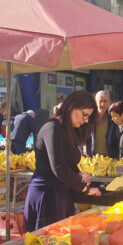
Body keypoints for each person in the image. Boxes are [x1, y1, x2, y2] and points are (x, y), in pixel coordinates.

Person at [25, 91, 101, 231]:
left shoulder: (66, 130)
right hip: (46, 195)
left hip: (61, 194)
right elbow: (59, 167)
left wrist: (78, 174)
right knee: (47, 240)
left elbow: (67, 162)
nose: (86, 120)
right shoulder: (52, 128)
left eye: (88, 117)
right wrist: (85, 189)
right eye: (84, 114)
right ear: (72, 107)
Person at [86, 90, 118, 158]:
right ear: (95, 102)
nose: (103, 104)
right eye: (100, 101)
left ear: (109, 103)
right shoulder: (88, 119)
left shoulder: (112, 120)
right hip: (92, 158)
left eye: (105, 101)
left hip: (107, 158)